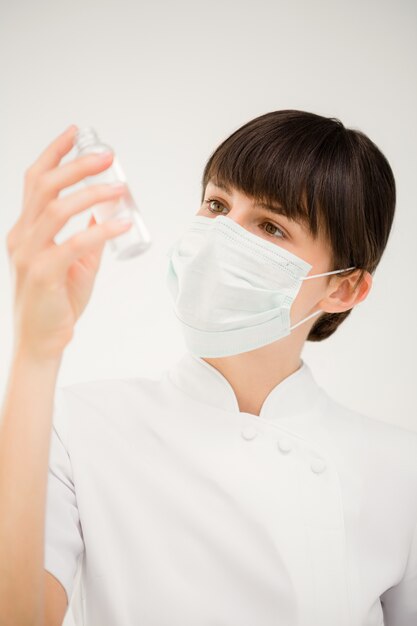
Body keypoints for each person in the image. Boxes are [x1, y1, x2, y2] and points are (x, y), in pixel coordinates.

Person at [0, 111, 416, 626]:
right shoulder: (74, 428)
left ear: (344, 288)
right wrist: (37, 352)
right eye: (217, 204)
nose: (223, 236)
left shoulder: (400, 471)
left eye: (270, 226)